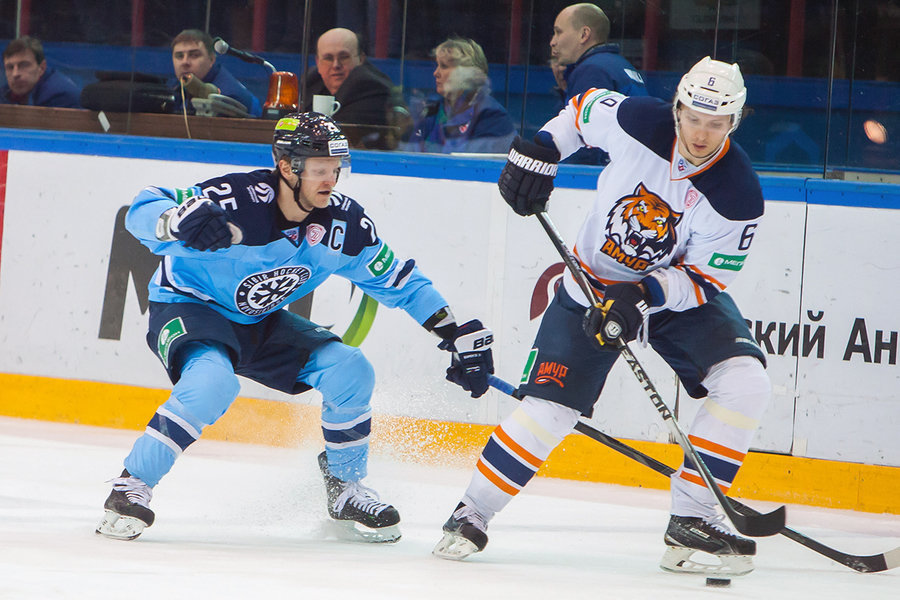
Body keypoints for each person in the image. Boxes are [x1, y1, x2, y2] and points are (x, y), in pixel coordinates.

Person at [434, 57, 770, 580]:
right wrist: (543, 149)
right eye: (694, 118)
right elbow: (582, 110)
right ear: (677, 108)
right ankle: (470, 512)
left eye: (717, 123)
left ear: (735, 121)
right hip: (590, 283)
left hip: (669, 294)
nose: (702, 133)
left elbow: (705, 278)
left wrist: (644, 293)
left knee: (745, 382)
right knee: (550, 409)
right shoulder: (639, 119)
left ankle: (694, 519)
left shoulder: (738, 193)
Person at [96, 112, 494, 543]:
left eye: (336, 168)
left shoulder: (343, 226)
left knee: (350, 369)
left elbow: (397, 279)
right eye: (320, 169)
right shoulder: (238, 200)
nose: (331, 180)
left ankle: (345, 487)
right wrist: (171, 221)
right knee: (212, 382)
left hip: (258, 320)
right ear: (287, 167)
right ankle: (130, 486)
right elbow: (145, 204)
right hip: (189, 305)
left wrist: (452, 330)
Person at [550, 3, 647, 164]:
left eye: (558, 32)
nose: (553, 42)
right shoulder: (621, 65)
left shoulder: (592, 70)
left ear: (584, 34)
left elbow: (584, 144)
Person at [403, 37, 516, 154]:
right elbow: (408, 156)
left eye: (444, 66)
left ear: (469, 73)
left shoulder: (492, 118)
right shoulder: (431, 113)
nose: (436, 73)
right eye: (437, 65)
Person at [302, 28, 408, 139]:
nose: (336, 65)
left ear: (361, 59)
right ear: (318, 62)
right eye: (328, 58)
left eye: (344, 57)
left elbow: (342, 136)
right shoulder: (310, 81)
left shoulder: (370, 86)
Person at [169, 29, 262, 117]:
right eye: (179, 56)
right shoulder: (176, 84)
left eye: (194, 55)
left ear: (211, 59)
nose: (185, 62)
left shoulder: (227, 97)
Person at [1, 36, 80, 108]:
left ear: (42, 68)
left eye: (24, 65)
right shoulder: (6, 93)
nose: (15, 74)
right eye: (10, 67)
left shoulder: (59, 96)